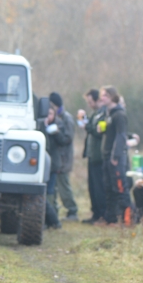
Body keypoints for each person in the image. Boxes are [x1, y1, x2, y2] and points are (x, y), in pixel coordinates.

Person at [97, 85, 132, 226]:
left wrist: (115, 156)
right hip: (106, 157)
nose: (102, 98)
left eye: (104, 95)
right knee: (109, 189)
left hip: (116, 158)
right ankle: (110, 219)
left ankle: (127, 220)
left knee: (120, 188)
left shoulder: (119, 115)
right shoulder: (108, 114)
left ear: (111, 96)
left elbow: (121, 136)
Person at [78, 89, 107, 225]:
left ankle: (101, 214)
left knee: (99, 187)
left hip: (99, 156)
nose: (89, 104)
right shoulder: (95, 114)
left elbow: (98, 132)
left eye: (90, 102)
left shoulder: (104, 114)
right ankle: (95, 213)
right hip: (91, 155)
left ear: (98, 100)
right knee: (93, 187)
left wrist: (87, 126)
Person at [49, 92, 78, 221]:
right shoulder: (55, 117)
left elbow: (68, 138)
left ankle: (72, 211)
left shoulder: (67, 118)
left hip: (64, 159)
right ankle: (54, 211)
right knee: (54, 188)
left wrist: (57, 133)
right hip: (56, 159)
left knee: (64, 186)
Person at [41, 106, 65, 229]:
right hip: (41, 165)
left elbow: (64, 141)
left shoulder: (57, 126)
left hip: (53, 164)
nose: (48, 116)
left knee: (50, 192)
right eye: (46, 113)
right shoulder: (40, 126)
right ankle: (46, 219)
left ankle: (52, 220)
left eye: (50, 114)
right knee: (43, 192)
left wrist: (56, 133)